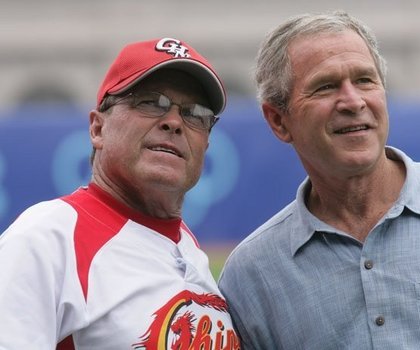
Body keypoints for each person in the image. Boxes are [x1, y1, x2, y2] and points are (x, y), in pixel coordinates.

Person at [218, 10, 420, 349]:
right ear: (278, 121)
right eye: (325, 86)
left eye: (364, 80)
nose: (353, 101)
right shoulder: (251, 275)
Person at [0, 37, 240, 349]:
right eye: (151, 102)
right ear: (98, 128)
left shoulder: (187, 248)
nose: (174, 122)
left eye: (195, 113)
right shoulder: (46, 239)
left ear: (206, 144)